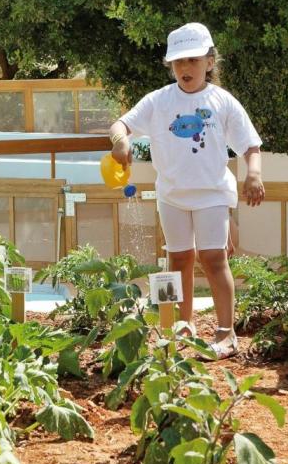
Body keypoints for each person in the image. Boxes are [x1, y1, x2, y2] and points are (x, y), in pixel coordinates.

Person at [109, 23, 265, 359]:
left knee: (213, 258)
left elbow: (250, 145)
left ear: (209, 62)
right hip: (171, 195)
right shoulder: (159, 101)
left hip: (211, 193)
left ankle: (226, 333)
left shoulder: (223, 102)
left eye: (192, 60)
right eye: (178, 62)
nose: (184, 68)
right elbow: (121, 124)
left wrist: (253, 174)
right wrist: (121, 141)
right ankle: (184, 324)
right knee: (178, 257)